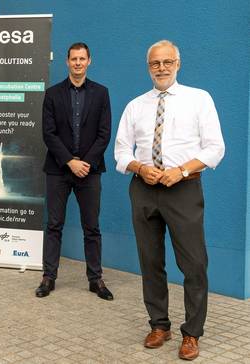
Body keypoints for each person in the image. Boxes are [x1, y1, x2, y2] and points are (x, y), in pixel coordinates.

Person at [114, 40, 225, 360]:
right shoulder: (136, 105)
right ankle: (159, 325)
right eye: (154, 63)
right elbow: (121, 151)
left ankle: (192, 333)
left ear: (178, 64)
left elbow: (215, 147)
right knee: (150, 263)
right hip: (144, 189)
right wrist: (138, 167)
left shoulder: (199, 99)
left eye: (167, 62)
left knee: (194, 264)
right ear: (148, 67)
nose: (161, 68)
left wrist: (181, 170)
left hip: (183, 189)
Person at [36, 42, 113, 300]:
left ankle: (96, 279)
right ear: (67, 62)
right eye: (74, 59)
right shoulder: (53, 93)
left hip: (90, 171)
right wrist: (70, 161)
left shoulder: (101, 93)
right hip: (59, 170)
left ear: (89, 61)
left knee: (91, 227)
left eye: (82, 59)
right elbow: (48, 133)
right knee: (54, 225)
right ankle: (48, 277)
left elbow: (104, 135)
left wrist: (85, 163)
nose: (78, 63)